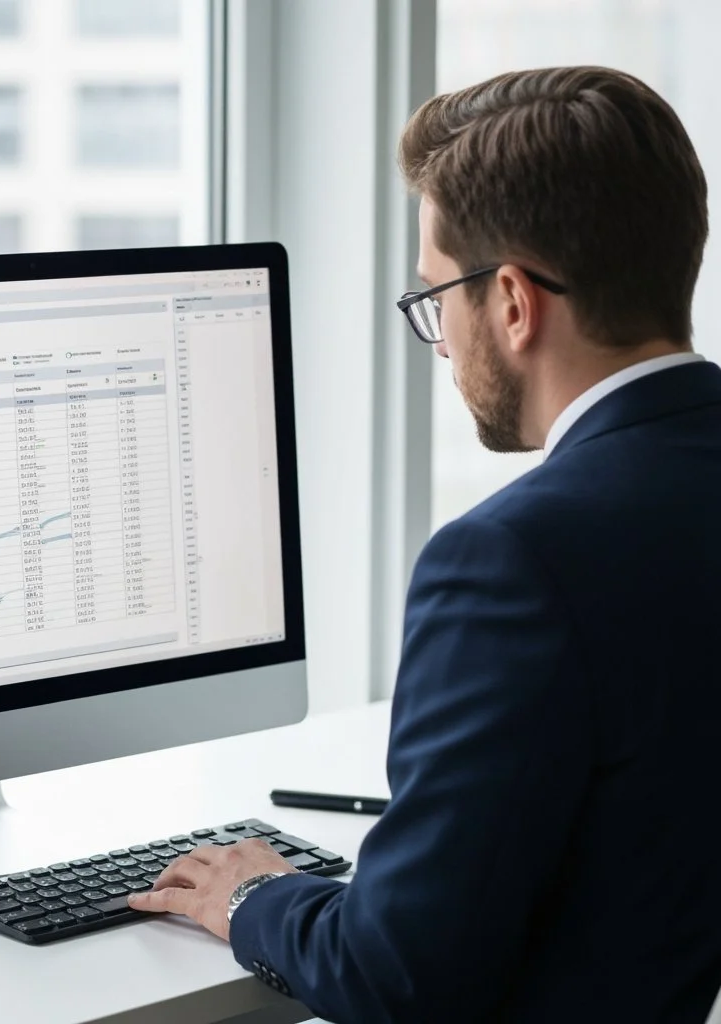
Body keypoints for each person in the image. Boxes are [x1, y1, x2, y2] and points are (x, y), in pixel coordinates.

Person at [126, 66, 721, 1022]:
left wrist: (252, 896)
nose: (441, 340)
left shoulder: (513, 561)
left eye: (437, 294)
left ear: (514, 302)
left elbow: (396, 978)